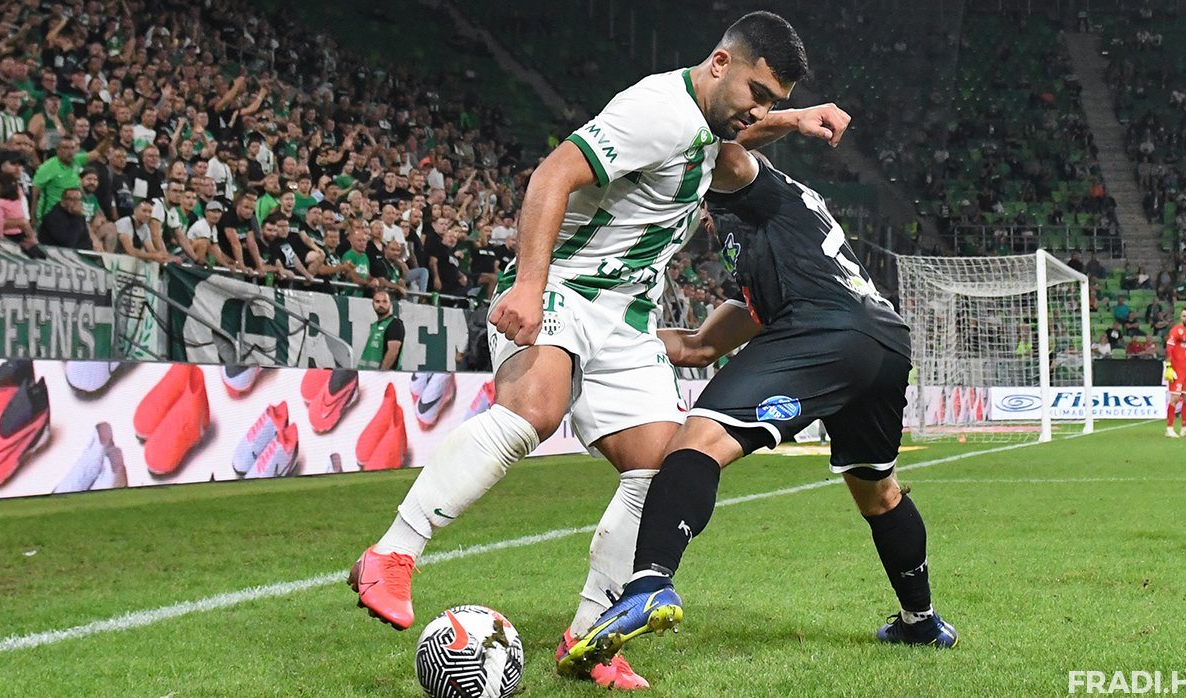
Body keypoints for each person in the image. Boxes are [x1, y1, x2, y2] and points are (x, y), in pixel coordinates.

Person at [348, 11, 842, 691]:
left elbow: (730, 132)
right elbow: (552, 175)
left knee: (659, 472)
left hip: (628, 317)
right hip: (565, 287)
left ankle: (589, 636)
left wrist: (792, 119)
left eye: (772, 101)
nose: (758, 110)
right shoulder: (657, 110)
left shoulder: (708, 120)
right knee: (536, 409)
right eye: (757, 93)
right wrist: (528, 285)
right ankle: (391, 554)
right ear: (720, 63)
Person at [561, 144, 957, 681]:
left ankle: (648, 584)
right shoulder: (777, 256)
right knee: (879, 492)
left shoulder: (756, 190)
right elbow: (698, 347)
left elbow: (718, 146)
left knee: (694, 445)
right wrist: (596, 335)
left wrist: (725, 130)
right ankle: (921, 622)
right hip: (880, 340)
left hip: (822, 328)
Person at [1165, 308, 1186, 438]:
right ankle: (1169, 429)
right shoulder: (1175, 330)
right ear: (1181, 317)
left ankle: (1185, 429)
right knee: (1174, 398)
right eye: (1184, 316)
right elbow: (1169, 349)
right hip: (1176, 369)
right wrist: (1169, 366)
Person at [357, 290, 405, 370]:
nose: (381, 305)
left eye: (384, 301)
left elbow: (393, 351)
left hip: (383, 375)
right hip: (367, 374)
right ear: (373, 304)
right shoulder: (375, 325)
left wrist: (381, 372)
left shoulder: (394, 324)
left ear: (390, 303)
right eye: (377, 301)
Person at [38, 186, 94, 250]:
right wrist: (77, 217)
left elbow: (88, 243)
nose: (77, 203)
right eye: (73, 199)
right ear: (63, 201)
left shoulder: (79, 217)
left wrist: (77, 216)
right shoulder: (53, 217)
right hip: (52, 252)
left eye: (79, 200)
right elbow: (68, 243)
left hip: (73, 252)